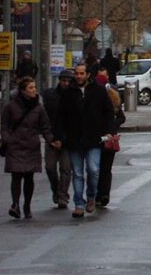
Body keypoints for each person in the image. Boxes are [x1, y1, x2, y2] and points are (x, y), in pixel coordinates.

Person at [53, 63, 113, 219]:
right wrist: (59, 136)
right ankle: (79, 204)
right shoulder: (69, 93)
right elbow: (61, 116)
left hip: (94, 139)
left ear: (88, 75)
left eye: (81, 73)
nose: (78, 76)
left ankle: (91, 196)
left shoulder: (98, 91)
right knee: (78, 174)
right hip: (74, 140)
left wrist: (109, 132)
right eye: (77, 74)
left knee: (93, 170)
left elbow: (108, 112)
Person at [1, 76, 55, 220]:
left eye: (34, 87)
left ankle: (27, 206)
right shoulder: (11, 106)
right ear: (23, 91)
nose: (34, 90)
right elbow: (5, 125)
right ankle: (15, 204)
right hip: (16, 145)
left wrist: (51, 140)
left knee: (29, 177)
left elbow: (45, 127)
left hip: (31, 146)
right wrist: (7, 139)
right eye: (31, 88)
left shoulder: (38, 107)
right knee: (16, 176)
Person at [41, 69, 74, 209]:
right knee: (50, 167)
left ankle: (62, 196)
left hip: (68, 140)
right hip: (52, 138)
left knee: (66, 169)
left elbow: (75, 122)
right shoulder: (50, 95)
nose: (66, 83)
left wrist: (64, 140)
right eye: (64, 80)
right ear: (59, 81)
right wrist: (50, 138)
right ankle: (56, 190)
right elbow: (44, 119)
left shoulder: (75, 96)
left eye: (68, 81)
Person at [96, 72, 125, 208]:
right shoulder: (93, 100)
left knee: (105, 168)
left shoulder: (113, 99)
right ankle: (97, 194)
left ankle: (104, 194)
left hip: (109, 140)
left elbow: (121, 117)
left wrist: (113, 125)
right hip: (96, 139)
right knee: (95, 169)